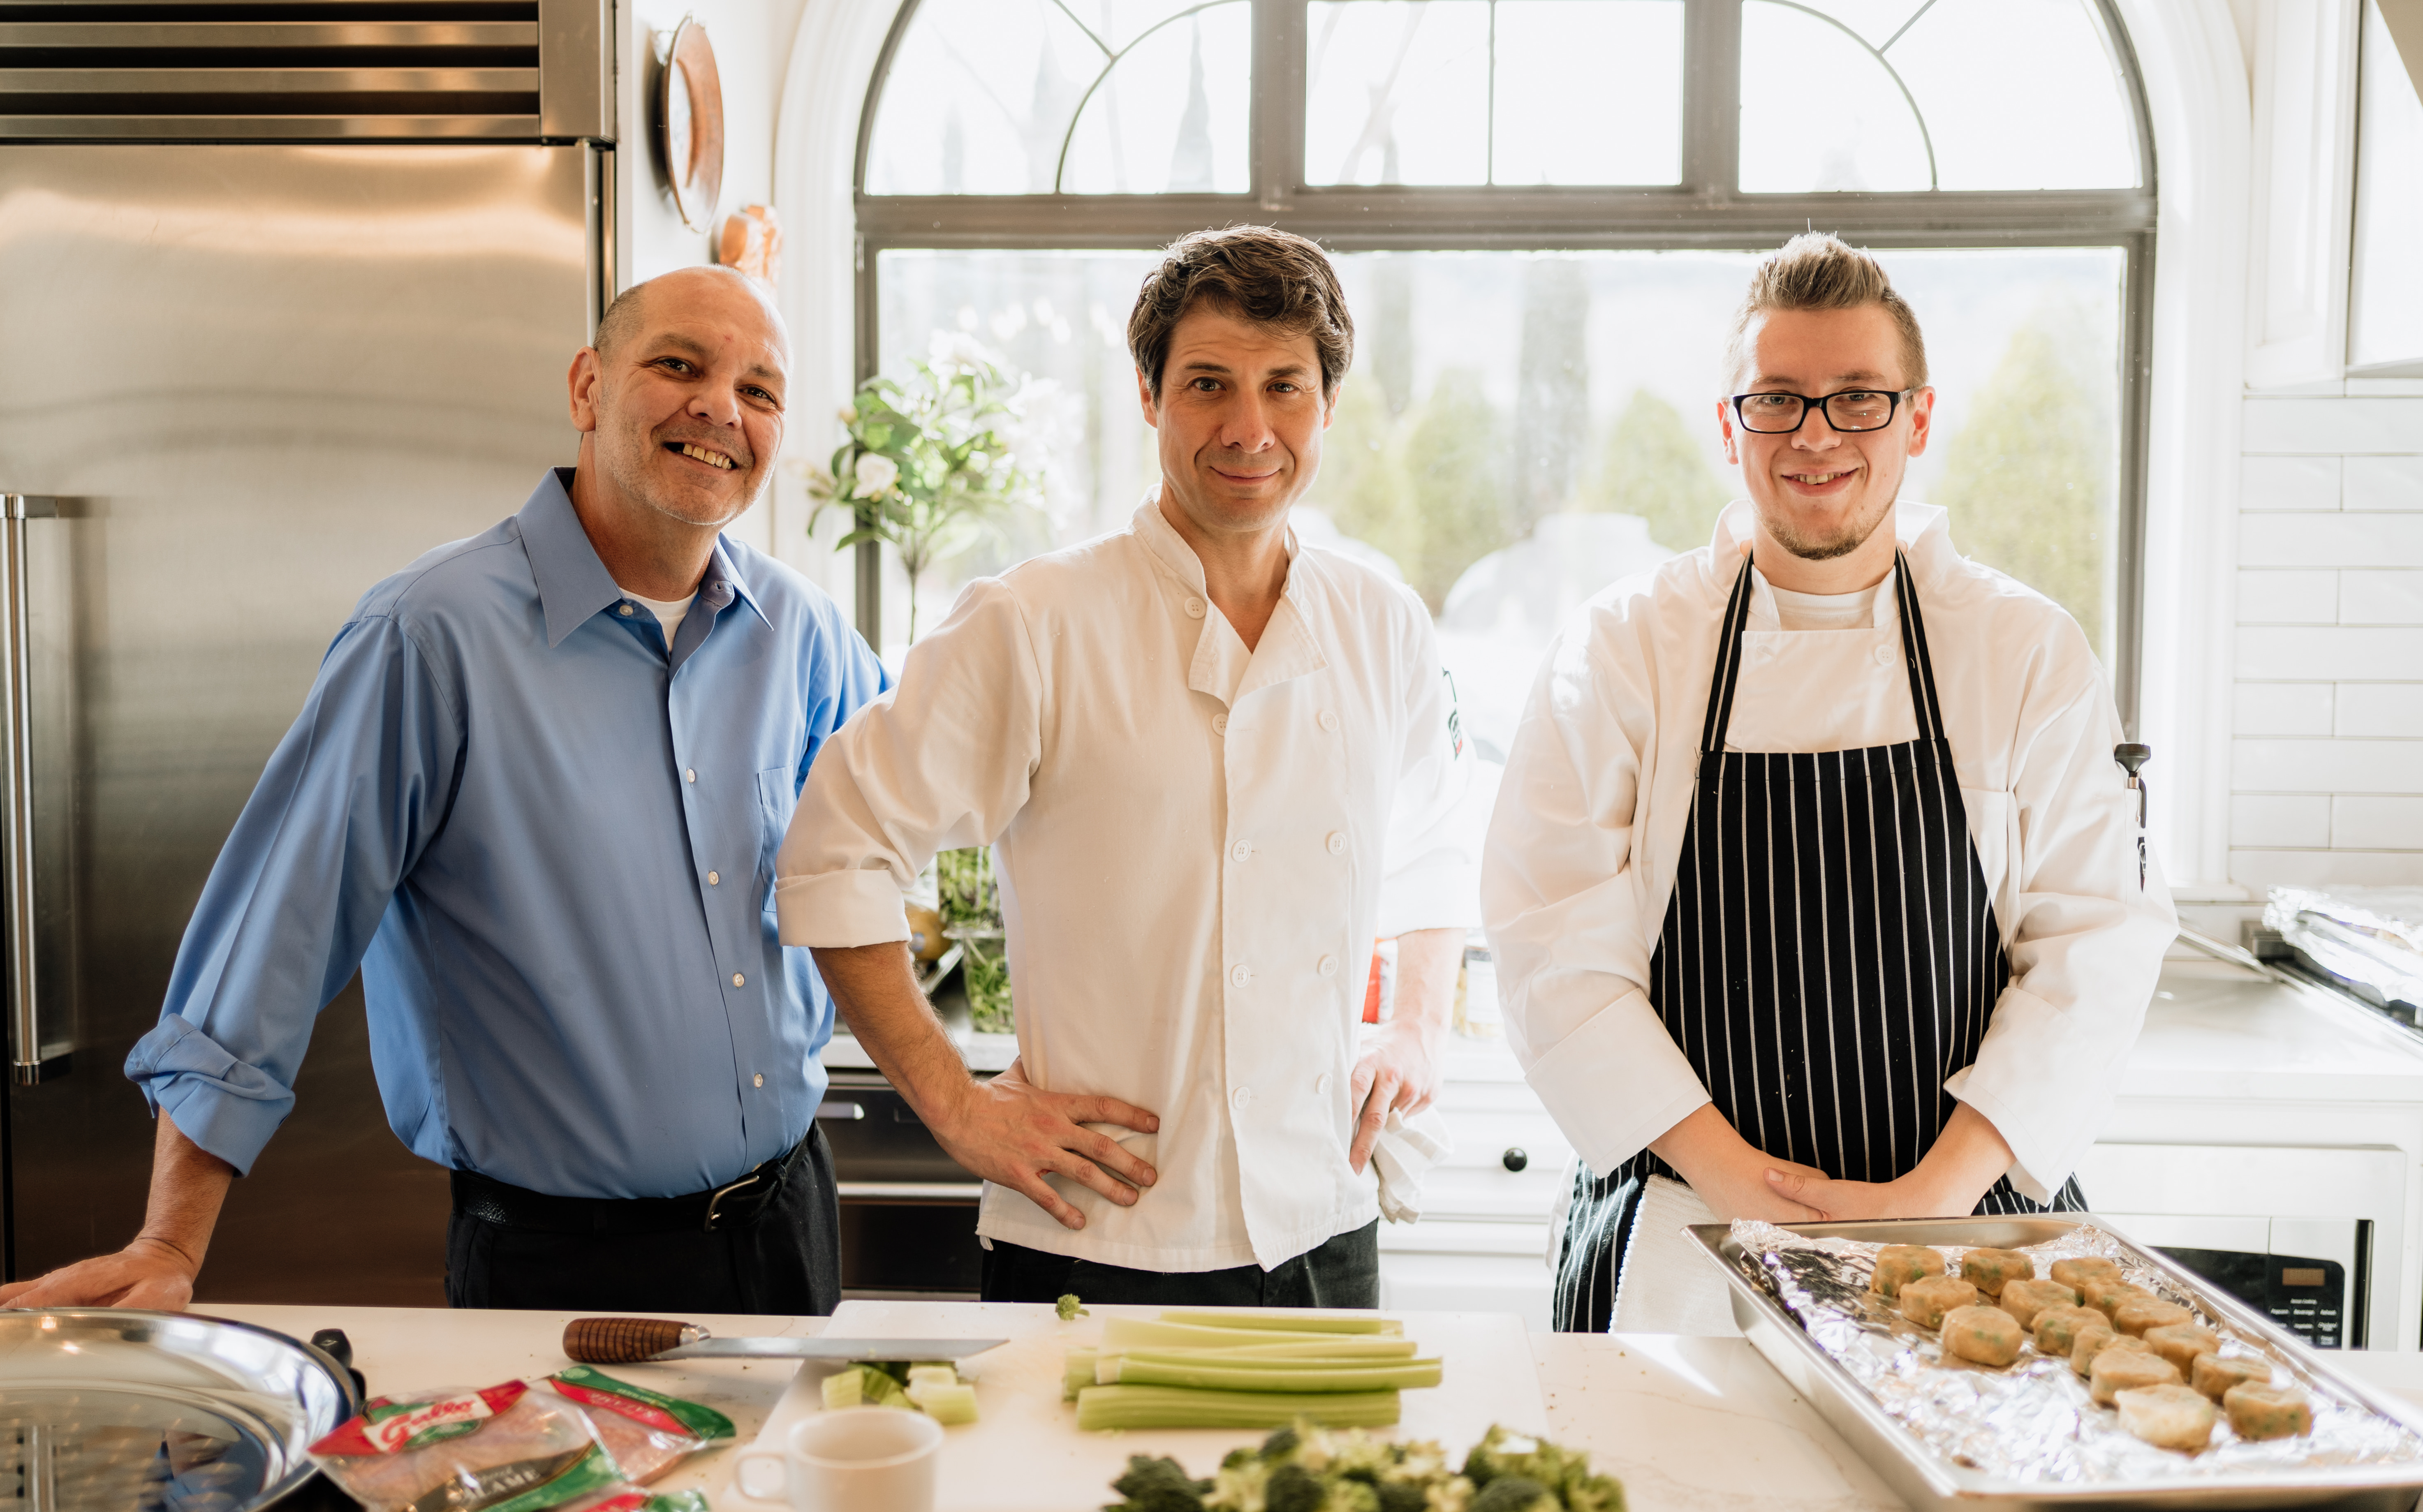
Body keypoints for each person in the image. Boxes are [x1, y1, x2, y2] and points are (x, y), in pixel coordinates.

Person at [0, 266, 886, 1315]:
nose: (721, 410)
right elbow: (273, 939)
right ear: (588, 389)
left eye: (761, 390)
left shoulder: (810, 637)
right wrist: (168, 1241)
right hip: (564, 1267)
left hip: (788, 1225)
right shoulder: (428, 636)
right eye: (678, 365)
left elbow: (869, 869)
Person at [1482, 234, 2178, 1334]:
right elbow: (1548, 951)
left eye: (1856, 398)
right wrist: (1739, 1185)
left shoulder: (2022, 650)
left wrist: (1927, 1198)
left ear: (1915, 417)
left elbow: (2093, 944)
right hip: (1682, 1237)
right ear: (1728, 425)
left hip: (1962, 1236)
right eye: (1776, 401)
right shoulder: (1622, 648)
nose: (1814, 435)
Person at [776, 226, 1473, 1308]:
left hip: (1324, 1224)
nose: (1249, 428)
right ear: (1149, 395)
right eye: (1207, 384)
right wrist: (961, 1108)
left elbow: (1430, 845)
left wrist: (1419, 1029)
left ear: (1327, 404)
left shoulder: (1380, 622)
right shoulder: (1035, 620)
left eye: (1284, 385)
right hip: (1095, 1232)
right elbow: (835, 853)